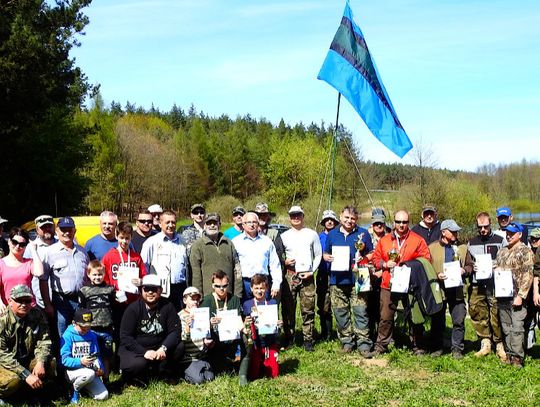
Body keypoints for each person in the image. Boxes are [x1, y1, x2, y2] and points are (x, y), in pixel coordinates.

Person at [370, 210, 431, 356]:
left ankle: (418, 346)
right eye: (398, 222)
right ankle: (381, 346)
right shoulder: (384, 240)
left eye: (404, 222)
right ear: (394, 223)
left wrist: (410, 265)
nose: (401, 225)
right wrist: (385, 264)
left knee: (414, 316)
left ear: (408, 223)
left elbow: (426, 259)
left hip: (410, 283)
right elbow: (375, 259)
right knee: (385, 316)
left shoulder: (417, 240)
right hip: (388, 283)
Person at [323, 206, 373, 355]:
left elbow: (371, 253)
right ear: (340, 216)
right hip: (337, 280)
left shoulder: (363, 234)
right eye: (346, 217)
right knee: (340, 313)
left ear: (356, 220)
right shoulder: (332, 234)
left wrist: (363, 258)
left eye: (352, 218)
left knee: (361, 312)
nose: (349, 221)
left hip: (359, 279)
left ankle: (364, 344)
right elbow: (326, 253)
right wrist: (326, 257)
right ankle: (347, 342)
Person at [118, 274, 183, 384]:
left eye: (154, 289)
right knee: (137, 364)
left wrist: (164, 348)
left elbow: (175, 331)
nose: (150, 292)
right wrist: (144, 352)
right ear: (141, 290)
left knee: (180, 347)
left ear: (161, 290)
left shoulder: (168, 306)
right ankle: (136, 377)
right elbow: (125, 337)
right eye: (146, 289)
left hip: (159, 347)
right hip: (137, 348)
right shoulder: (132, 309)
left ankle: (163, 372)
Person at [0, 285, 54, 404]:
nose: (24, 304)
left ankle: (33, 391)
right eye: (19, 300)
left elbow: (44, 340)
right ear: (10, 301)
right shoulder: (2, 320)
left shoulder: (37, 315)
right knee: (12, 381)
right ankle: (5, 396)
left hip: (25, 358)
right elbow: (1, 354)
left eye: (27, 301)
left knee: (50, 363)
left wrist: (40, 362)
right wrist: (25, 374)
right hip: (5, 363)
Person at [463, 212, 506, 360]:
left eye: (485, 227)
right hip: (477, 283)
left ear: (490, 224)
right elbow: (468, 263)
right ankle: (485, 342)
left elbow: (507, 260)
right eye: (480, 227)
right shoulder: (472, 242)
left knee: (496, 312)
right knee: (478, 311)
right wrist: (472, 267)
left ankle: (499, 343)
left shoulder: (500, 241)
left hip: (495, 284)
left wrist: (499, 266)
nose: (482, 230)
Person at [280, 206, 322, 351]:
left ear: (303, 216)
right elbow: (279, 256)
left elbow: (318, 255)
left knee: (308, 308)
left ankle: (308, 339)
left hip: (307, 276)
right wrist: (284, 262)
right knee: (288, 308)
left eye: (298, 215)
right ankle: (289, 337)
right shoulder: (284, 235)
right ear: (289, 217)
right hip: (290, 275)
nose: (295, 218)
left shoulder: (311, 234)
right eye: (292, 215)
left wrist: (312, 271)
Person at [41, 216, 89, 337]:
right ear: (57, 231)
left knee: (81, 333)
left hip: (80, 300)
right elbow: (43, 280)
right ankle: (61, 356)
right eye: (63, 229)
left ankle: (78, 357)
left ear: (75, 231)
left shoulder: (82, 252)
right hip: (60, 301)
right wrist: (47, 304)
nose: (67, 232)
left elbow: (88, 278)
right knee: (61, 335)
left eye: (70, 229)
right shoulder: (49, 252)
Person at [495, 222, 534, 368]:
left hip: (517, 296)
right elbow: (497, 268)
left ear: (520, 234)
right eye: (508, 232)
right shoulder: (502, 251)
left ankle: (518, 357)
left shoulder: (525, 251)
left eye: (512, 233)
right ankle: (509, 354)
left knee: (517, 327)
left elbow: (528, 275)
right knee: (506, 326)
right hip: (503, 295)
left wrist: (521, 296)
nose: (509, 235)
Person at [428, 220, 468, 359]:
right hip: (439, 290)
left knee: (459, 320)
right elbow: (426, 269)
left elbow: (470, 266)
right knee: (437, 320)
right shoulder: (432, 248)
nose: (456, 233)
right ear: (443, 232)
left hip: (457, 291)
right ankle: (436, 348)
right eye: (453, 231)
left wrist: (465, 270)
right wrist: (437, 274)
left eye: (457, 231)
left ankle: (457, 349)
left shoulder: (462, 248)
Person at [141, 210, 188, 311]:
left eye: (173, 222)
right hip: (160, 290)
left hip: (180, 288)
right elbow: (144, 267)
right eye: (167, 222)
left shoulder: (183, 241)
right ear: (160, 223)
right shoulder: (151, 242)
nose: (171, 225)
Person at [60, 308, 109, 403]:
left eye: (88, 326)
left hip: (89, 371)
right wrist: (80, 362)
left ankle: (83, 388)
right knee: (88, 374)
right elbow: (64, 360)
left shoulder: (92, 335)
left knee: (103, 396)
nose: (85, 329)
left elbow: (96, 355)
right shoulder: (67, 336)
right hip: (71, 372)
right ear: (74, 323)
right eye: (82, 327)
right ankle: (74, 389)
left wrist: (100, 368)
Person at [200, 270, 244, 375]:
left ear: (228, 285)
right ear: (212, 285)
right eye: (218, 286)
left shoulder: (234, 299)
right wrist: (209, 323)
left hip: (232, 338)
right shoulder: (206, 301)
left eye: (224, 286)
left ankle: (238, 361)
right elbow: (200, 326)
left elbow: (239, 321)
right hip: (214, 341)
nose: (221, 289)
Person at [232, 212, 282, 302]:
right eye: (248, 222)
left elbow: (275, 264)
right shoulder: (236, 242)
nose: (252, 225)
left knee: (264, 313)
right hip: (244, 284)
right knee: (245, 312)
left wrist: (276, 284)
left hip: (263, 284)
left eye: (254, 222)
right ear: (243, 225)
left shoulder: (267, 241)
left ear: (258, 224)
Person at [240, 274, 281, 384]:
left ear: (267, 288)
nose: (259, 291)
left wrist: (278, 324)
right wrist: (246, 322)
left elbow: (276, 323)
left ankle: (268, 359)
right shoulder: (247, 304)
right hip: (255, 344)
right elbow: (243, 324)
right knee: (253, 374)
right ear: (251, 288)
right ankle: (259, 361)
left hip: (269, 343)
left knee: (274, 374)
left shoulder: (272, 303)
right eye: (256, 288)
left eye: (262, 288)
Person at [78, 260, 115, 380]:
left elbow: (113, 307)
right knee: (92, 355)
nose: (97, 277)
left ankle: (106, 378)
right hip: (91, 330)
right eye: (94, 274)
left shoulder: (110, 289)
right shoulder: (84, 290)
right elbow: (81, 309)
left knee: (106, 355)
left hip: (107, 329)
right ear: (88, 274)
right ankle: (93, 379)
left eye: (100, 274)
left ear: (104, 274)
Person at [190, 213, 242, 298]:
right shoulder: (197, 246)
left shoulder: (229, 244)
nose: (212, 226)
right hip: (208, 298)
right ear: (204, 225)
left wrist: (237, 295)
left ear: (220, 225)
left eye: (215, 223)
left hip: (229, 297)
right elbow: (196, 276)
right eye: (209, 223)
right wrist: (199, 297)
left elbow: (237, 271)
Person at [178, 287, 215, 385]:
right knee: (198, 380)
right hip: (188, 358)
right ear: (185, 300)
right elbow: (182, 339)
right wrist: (187, 326)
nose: (195, 302)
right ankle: (183, 372)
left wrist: (210, 330)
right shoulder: (179, 316)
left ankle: (200, 367)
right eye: (192, 299)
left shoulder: (202, 313)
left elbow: (205, 335)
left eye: (197, 299)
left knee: (210, 378)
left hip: (201, 356)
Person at [0, 227, 44, 309]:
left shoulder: (29, 263)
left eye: (22, 244)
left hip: (29, 308)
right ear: (9, 242)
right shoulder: (1, 264)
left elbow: (39, 272)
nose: (17, 246)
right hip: (9, 311)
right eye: (14, 242)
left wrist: (33, 250)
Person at [25, 215, 56, 311]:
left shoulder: (63, 243)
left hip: (62, 301)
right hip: (40, 303)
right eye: (43, 227)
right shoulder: (31, 248)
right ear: (37, 230)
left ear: (54, 227)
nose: (47, 229)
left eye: (49, 226)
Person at [316, 210, 339, 341]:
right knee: (323, 305)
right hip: (323, 274)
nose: (329, 222)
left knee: (338, 305)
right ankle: (326, 333)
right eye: (327, 220)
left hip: (338, 274)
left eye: (332, 220)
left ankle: (341, 332)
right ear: (323, 222)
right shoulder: (318, 237)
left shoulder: (339, 235)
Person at [526, 228, 540, 351]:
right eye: (532, 238)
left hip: (538, 292)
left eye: (537, 238)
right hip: (528, 294)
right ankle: (529, 348)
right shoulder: (526, 253)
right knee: (528, 322)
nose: (534, 241)